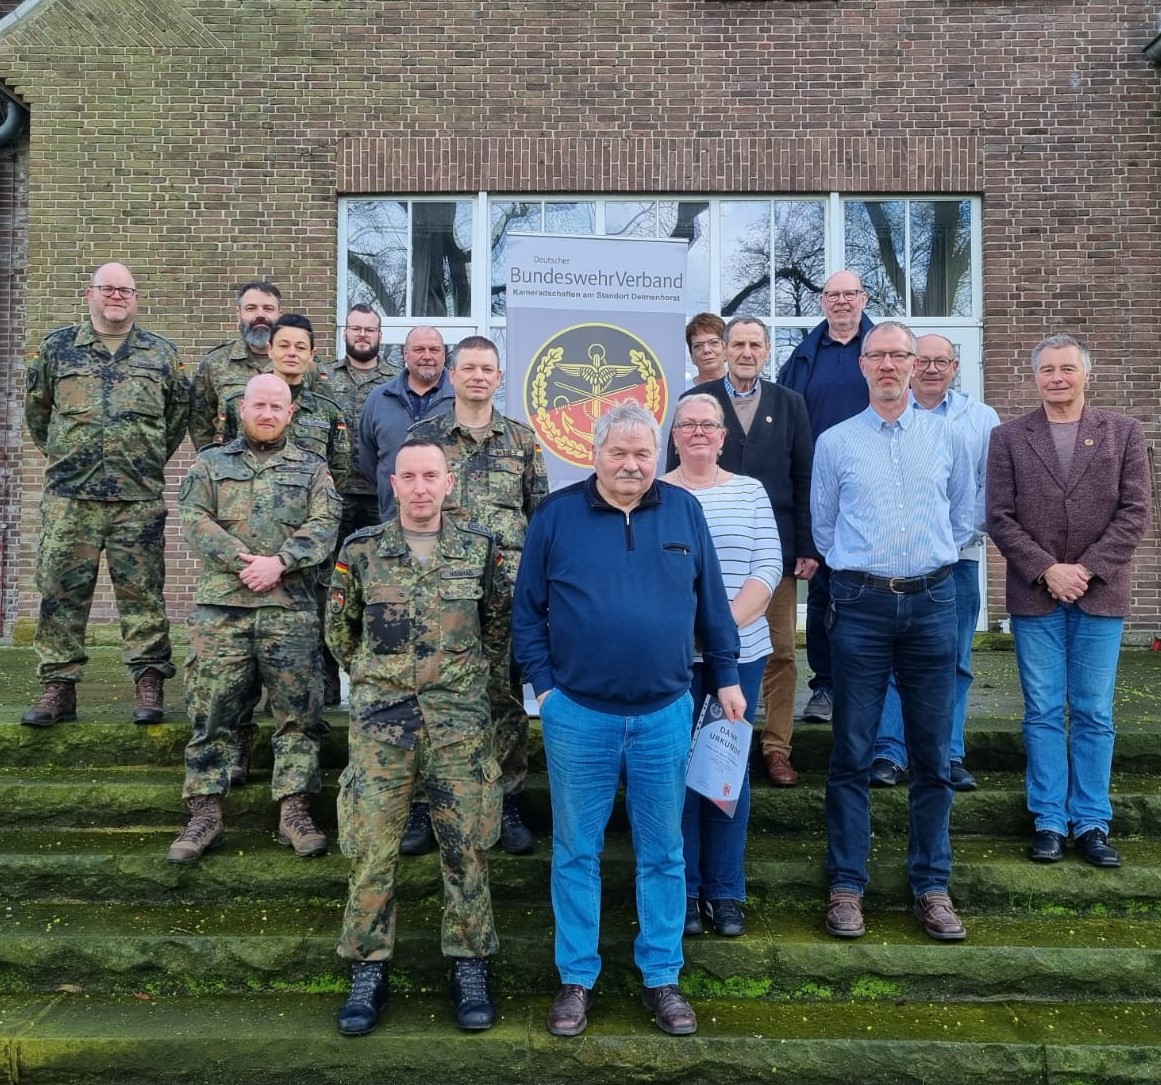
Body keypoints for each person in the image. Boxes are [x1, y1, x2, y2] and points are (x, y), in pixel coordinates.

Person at [513, 403, 744, 1038]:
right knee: (576, 851)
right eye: (619, 453)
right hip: (577, 714)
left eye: (643, 454)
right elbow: (527, 612)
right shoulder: (556, 517)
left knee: (664, 852)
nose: (632, 465)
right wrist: (546, 690)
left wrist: (725, 674)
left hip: (665, 712)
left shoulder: (683, 510)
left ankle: (662, 976)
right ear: (594, 453)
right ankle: (576, 979)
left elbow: (712, 602)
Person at [326, 439, 509, 1036]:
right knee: (373, 848)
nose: (422, 487)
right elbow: (339, 633)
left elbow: (500, 626)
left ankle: (469, 964)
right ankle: (368, 969)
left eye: (432, 475)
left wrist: (459, 679)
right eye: (410, 477)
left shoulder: (479, 551)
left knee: (467, 846)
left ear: (449, 482)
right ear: (394, 483)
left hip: (458, 723)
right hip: (383, 723)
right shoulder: (362, 551)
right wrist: (383, 681)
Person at [811, 320, 974, 942]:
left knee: (932, 754)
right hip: (859, 605)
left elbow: (962, 513)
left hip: (934, 600)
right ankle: (846, 886)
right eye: (876, 354)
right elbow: (824, 529)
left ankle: (932, 885)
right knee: (852, 751)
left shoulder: (947, 437)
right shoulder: (836, 443)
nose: (887, 364)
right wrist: (868, 568)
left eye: (898, 355)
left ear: (915, 364)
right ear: (862, 365)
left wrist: (923, 559)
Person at [986, 334, 1150, 868]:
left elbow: (1135, 512)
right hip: (1036, 594)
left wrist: (1085, 570)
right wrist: (1046, 570)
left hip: (1101, 592)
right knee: (1043, 710)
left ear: (1086, 374)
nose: (1057, 378)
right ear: (1035, 378)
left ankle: (1092, 821)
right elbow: (1000, 516)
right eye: (1047, 370)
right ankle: (1050, 821)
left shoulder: (1123, 432)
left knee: (1094, 710)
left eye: (1067, 369)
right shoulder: (1008, 437)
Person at [169, 374, 340, 864]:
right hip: (223, 607)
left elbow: (325, 524)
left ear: (290, 414)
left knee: (298, 717)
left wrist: (281, 562)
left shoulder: (312, 469)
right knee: (211, 712)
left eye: (277, 406)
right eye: (259, 405)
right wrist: (242, 559)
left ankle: (295, 811)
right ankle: (204, 814)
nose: (267, 414)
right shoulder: (209, 463)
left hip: (289, 610)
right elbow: (193, 518)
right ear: (242, 409)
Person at [22, 262, 190, 728]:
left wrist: (141, 459)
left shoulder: (161, 355)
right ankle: (58, 685)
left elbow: (175, 420)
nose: (117, 296)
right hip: (70, 497)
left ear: (136, 298)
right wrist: (70, 457)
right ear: (90, 294)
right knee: (60, 591)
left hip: (137, 499)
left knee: (143, 595)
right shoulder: (56, 349)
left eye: (126, 290)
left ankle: (149, 681)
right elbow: (39, 416)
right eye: (108, 288)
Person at [407, 335, 549, 855]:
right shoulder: (423, 436)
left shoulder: (523, 441)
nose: (477, 376)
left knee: (505, 701)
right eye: (468, 367)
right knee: (432, 700)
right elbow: (404, 512)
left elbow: (541, 521)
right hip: (439, 594)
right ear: (451, 374)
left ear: (500, 377)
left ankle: (505, 801)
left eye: (487, 368)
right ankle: (424, 805)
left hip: (506, 599)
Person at [671, 316, 816, 787]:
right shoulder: (699, 405)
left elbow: (804, 476)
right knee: (702, 653)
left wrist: (807, 544)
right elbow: (675, 478)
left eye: (756, 344)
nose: (747, 352)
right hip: (700, 554)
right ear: (724, 349)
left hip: (769, 554)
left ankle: (775, 747)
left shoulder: (790, 403)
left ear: (768, 350)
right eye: (738, 344)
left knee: (779, 653)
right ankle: (707, 746)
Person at [663, 394, 780, 939]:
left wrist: (721, 634)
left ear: (723, 434)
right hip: (671, 659)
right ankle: (684, 891)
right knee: (677, 776)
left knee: (726, 773)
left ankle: (725, 890)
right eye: (689, 425)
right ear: (675, 435)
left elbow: (768, 567)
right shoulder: (656, 493)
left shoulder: (750, 492)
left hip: (741, 655)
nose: (700, 433)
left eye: (709, 424)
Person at [217, 314, 351, 767]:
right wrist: (248, 555)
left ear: (312, 357)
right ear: (270, 351)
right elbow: (225, 465)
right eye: (284, 345)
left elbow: (339, 476)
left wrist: (289, 553)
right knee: (238, 663)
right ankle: (239, 738)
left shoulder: (328, 412)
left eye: (301, 347)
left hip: (302, 558)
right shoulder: (243, 402)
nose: (292, 353)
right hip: (244, 554)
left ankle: (303, 730)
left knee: (301, 653)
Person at [870, 335, 1000, 793]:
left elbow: (988, 488)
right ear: (907, 365)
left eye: (939, 361)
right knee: (888, 663)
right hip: (891, 569)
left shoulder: (981, 419)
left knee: (956, 662)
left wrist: (951, 540)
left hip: (956, 563)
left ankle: (949, 753)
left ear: (955, 366)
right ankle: (890, 751)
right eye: (920, 360)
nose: (929, 368)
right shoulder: (884, 416)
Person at [778, 270, 875, 723]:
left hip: (875, 492)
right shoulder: (802, 358)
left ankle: (867, 688)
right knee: (821, 594)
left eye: (849, 294)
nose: (841, 302)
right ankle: (827, 687)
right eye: (833, 295)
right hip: (819, 492)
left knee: (869, 591)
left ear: (864, 298)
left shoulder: (882, 351)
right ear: (822, 302)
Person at [318, 304, 398, 702]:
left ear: (380, 335)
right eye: (356, 328)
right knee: (329, 584)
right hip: (333, 497)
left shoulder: (394, 382)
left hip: (379, 498)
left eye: (370, 329)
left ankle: (374, 672)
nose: (362, 335)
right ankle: (327, 677)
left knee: (378, 584)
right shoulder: (323, 378)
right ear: (344, 331)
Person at [358, 325, 454, 521]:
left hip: (451, 523)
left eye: (434, 350)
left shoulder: (460, 399)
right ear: (405, 354)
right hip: (393, 519)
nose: (427, 356)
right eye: (419, 350)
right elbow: (369, 461)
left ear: (444, 355)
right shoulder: (379, 399)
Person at [189, 281, 283, 450]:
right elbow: (199, 424)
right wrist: (212, 463)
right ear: (239, 314)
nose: (260, 315)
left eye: (268, 309)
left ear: (279, 314)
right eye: (251, 308)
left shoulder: (302, 363)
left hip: (288, 471)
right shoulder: (214, 363)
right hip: (230, 470)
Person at [685, 312, 727, 386]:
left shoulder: (745, 390)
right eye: (698, 346)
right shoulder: (682, 393)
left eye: (713, 342)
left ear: (726, 350)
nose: (706, 350)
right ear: (692, 356)